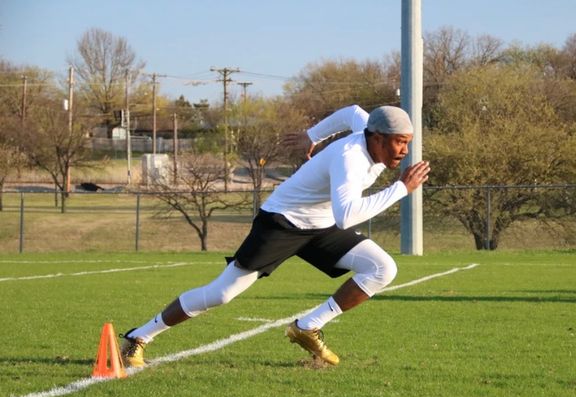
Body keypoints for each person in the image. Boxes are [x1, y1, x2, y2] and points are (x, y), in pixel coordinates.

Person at [120, 104, 430, 367]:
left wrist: (312, 136)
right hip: (281, 222)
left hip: (320, 227)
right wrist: (401, 188)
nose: (404, 151)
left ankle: (307, 327)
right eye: (399, 142)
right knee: (221, 293)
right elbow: (346, 215)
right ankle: (139, 336)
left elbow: (352, 112)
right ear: (376, 138)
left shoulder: (368, 127)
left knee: (383, 268)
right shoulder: (350, 158)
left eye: (407, 143)